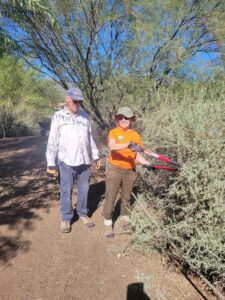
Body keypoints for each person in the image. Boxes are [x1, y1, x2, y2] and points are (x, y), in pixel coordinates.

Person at [46, 87, 99, 233]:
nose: (77, 103)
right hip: (66, 161)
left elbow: (90, 137)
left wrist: (95, 155)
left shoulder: (85, 116)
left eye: (79, 101)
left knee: (84, 189)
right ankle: (66, 218)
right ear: (67, 99)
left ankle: (82, 213)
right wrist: (51, 163)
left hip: (84, 161)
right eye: (74, 100)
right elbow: (53, 141)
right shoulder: (58, 116)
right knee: (66, 190)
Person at [102, 107, 151, 238]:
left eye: (126, 117)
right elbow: (112, 146)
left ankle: (125, 216)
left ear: (131, 119)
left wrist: (147, 164)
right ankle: (107, 221)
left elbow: (137, 156)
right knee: (111, 195)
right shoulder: (114, 132)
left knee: (127, 195)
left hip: (130, 169)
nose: (123, 120)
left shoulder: (136, 136)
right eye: (120, 117)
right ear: (117, 119)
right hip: (115, 167)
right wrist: (127, 144)